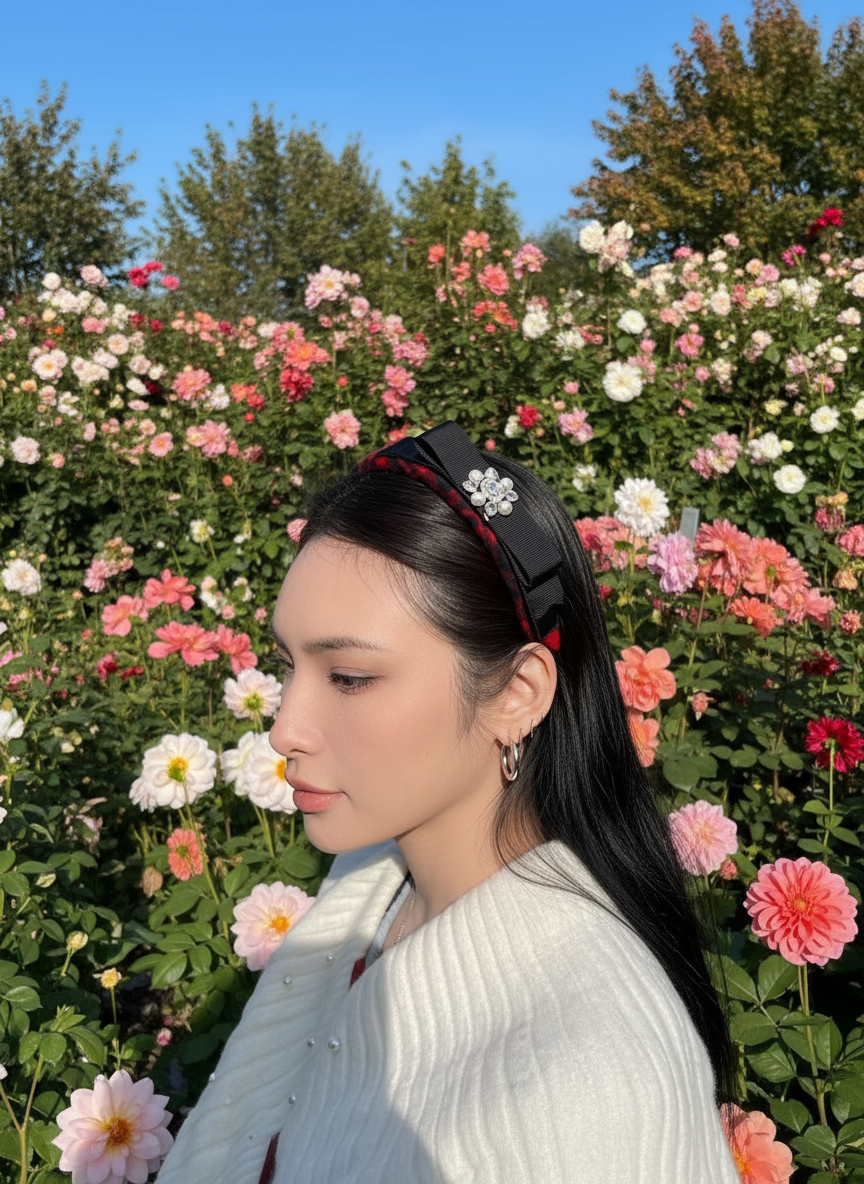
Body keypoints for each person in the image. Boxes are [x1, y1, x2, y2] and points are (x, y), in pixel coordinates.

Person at [156, 422, 740, 1183]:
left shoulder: (591, 1092)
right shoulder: (376, 878)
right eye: (287, 663)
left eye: (351, 677)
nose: (282, 731)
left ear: (517, 693)